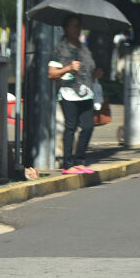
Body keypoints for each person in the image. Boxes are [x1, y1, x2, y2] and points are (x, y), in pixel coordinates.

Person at [47, 14, 102, 175]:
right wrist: (68, 68)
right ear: (65, 28)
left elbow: (87, 72)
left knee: (88, 126)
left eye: (79, 26)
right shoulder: (59, 50)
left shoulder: (84, 49)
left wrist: (96, 74)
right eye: (73, 26)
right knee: (70, 128)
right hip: (68, 93)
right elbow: (51, 74)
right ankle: (68, 164)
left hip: (86, 93)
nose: (76, 29)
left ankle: (80, 161)